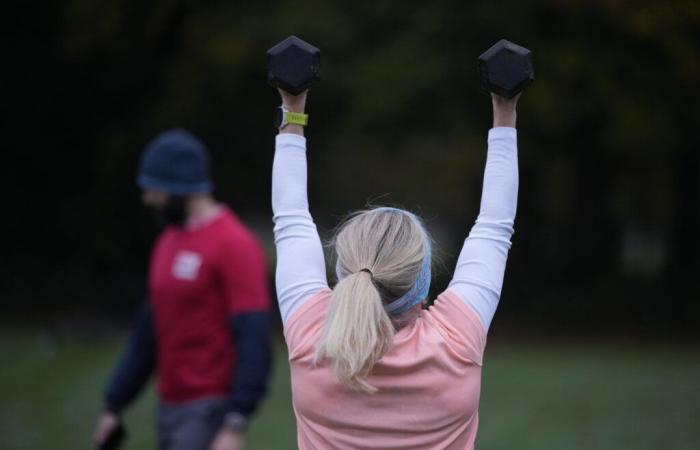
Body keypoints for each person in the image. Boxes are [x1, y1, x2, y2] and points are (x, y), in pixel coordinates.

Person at [271, 84, 520, 449]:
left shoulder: (312, 336)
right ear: (421, 283)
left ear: (344, 273)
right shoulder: (457, 341)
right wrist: (505, 108)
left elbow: (290, 219)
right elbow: (495, 227)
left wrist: (291, 107)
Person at [93, 129, 272, 450]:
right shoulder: (167, 242)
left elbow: (253, 335)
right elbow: (149, 331)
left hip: (209, 409)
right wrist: (114, 404)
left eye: (154, 189)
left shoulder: (234, 244)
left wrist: (236, 420)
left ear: (179, 188)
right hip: (168, 407)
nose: (148, 199)